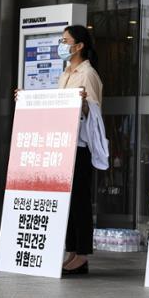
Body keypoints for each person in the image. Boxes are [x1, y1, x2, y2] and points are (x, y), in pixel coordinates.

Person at [57, 25, 106, 275]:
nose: (62, 44)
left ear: (79, 46)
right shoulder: (66, 72)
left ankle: (82, 254)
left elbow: (94, 115)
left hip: (81, 147)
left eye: (65, 40)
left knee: (80, 200)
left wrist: (84, 103)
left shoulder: (88, 75)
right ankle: (72, 250)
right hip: (65, 144)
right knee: (68, 199)